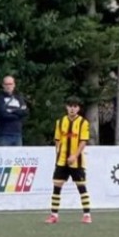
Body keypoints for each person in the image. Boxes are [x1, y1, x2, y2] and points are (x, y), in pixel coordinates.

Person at [45, 96, 92, 224]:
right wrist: (59, 154)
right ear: (66, 107)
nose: (72, 109)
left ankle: (87, 214)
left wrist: (74, 156)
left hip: (77, 161)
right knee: (57, 186)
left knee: (81, 186)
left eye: (75, 106)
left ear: (78, 108)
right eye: (70, 106)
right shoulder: (60, 122)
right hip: (62, 161)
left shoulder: (83, 123)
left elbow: (83, 142)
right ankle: (54, 215)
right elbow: (57, 140)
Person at [0, 75, 29, 146]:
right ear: (3, 85)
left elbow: (25, 111)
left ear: (14, 85)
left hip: (17, 134)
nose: (8, 86)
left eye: (10, 84)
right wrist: (18, 114)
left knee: (18, 157)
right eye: (6, 84)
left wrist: (11, 111)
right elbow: (3, 114)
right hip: (3, 134)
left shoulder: (19, 98)